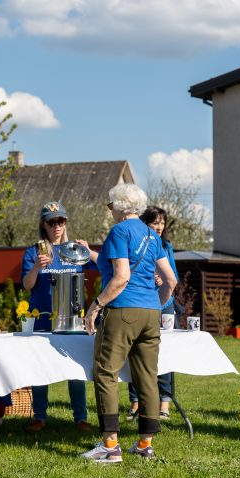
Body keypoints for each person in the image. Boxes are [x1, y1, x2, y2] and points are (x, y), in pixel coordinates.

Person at [82, 184, 177, 462]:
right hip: (151, 314)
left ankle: (110, 446)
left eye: (111, 206)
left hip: (122, 310)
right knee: (147, 375)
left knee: (106, 372)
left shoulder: (119, 231)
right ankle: (145, 443)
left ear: (121, 206)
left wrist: (95, 306)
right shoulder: (151, 234)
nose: (111, 211)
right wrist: (155, 304)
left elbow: (121, 277)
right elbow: (171, 280)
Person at [21, 200, 98, 433]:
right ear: (43, 225)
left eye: (61, 221)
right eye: (51, 222)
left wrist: (91, 252)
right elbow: (26, 285)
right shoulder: (34, 251)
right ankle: (40, 416)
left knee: (75, 369)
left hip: (72, 319)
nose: (57, 226)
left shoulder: (76, 250)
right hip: (43, 318)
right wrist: (36, 267)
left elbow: (107, 267)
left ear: (65, 223)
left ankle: (80, 418)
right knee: (40, 367)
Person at [126, 206, 179, 421]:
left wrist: (163, 280)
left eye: (162, 223)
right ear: (144, 223)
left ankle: (164, 403)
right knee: (135, 352)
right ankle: (135, 402)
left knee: (164, 354)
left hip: (165, 306)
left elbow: (173, 275)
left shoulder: (166, 246)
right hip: (141, 303)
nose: (158, 227)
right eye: (154, 222)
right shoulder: (136, 243)